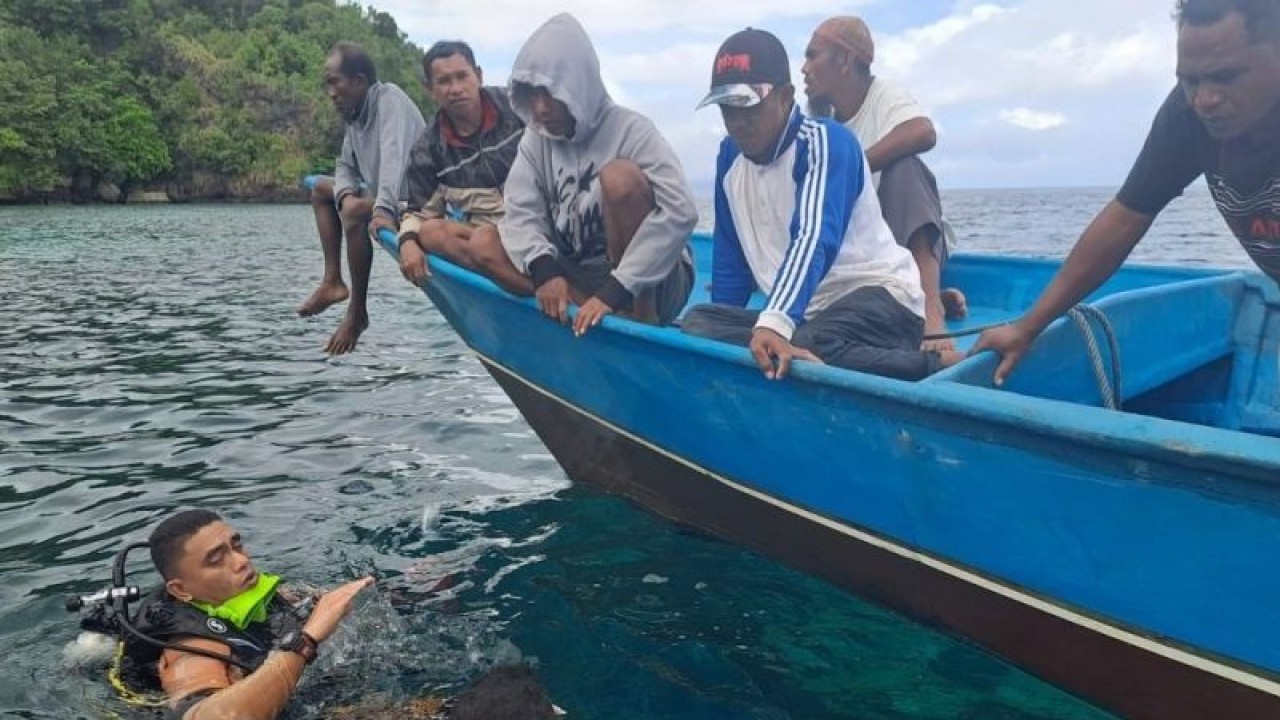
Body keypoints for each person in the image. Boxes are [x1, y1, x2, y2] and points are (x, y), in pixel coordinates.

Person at [972, 0, 1280, 385]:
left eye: (1225, 76)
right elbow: (1123, 219)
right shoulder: (1187, 117)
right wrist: (1027, 327)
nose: (1204, 99)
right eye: (1190, 80)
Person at [682, 28, 962, 381]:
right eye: (726, 108)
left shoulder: (826, 142)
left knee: (807, 338)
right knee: (700, 321)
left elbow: (813, 236)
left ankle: (935, 365)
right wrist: (725, 341)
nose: (737, 121)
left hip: (879, 298)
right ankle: (807, 350)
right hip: (807, 313)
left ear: (785, 97)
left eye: (749, 106)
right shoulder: (729, 158)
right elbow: (730, 255)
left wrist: (776, 323)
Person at [464, 13, 698, 336]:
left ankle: (642, 321)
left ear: (578, 85)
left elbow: (681, 210)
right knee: (482, 243)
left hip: (653, 283)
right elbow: (520, 212)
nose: (542, 109)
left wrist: (618, 289)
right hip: (584, 274)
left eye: (551, 93)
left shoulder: (631, 130)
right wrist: (543, 268)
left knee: (619, 179)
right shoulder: (536, 139)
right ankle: (589, 313)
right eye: (533, 95)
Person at [802, 16, 965, 352]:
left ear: (845, 60)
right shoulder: (817, 123)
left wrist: (851, 168)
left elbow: (923, 131)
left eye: (812, 56)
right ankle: (917, 299)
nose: (804, 69)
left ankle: (930, 311)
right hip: (864, 257)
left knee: (905, 168)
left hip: (910, 240)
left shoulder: (883, 95)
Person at [116, 509, 372, 719]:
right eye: (216, 560)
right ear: (181, 590)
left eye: (236, 545)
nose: (240, 561)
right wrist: (307, 639)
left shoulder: (255, 594)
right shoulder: (189, 647)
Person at [297, 42, 427, 355]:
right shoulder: (354, 116)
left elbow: (394, 156)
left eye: (334, 82)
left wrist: (380, 209)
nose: (330, 92)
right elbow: (345, 164)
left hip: (415, 199)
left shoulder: (389, 100)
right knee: (321, 191)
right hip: (385, 194)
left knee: (354, 211)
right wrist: (343, 192)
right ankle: (332, 281)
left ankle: (357, 313)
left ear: (358, 82)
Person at [368, 40, 525, 289]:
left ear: (479, 76)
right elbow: (418, 212)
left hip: (540, 221)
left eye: (462, 76)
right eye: (444, 81)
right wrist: (407, 241)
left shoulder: (518, 108)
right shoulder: (429, 149)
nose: (455, 89)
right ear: (430, 89)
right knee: (431, 233)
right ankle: (530, 291)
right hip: (492, 240)